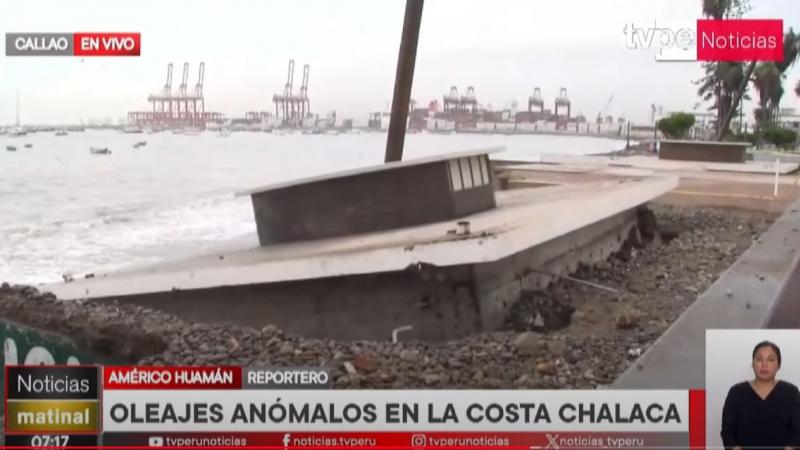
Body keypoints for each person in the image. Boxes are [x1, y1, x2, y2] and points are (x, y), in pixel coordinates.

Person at [721, 341, 800, 450]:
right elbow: (727, 433)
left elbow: (798, 432)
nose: (764, 364)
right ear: (753, 364)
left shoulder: (791, 392)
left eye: (771, 360)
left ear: (778, 365)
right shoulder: (736, 392)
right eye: (759, 359)